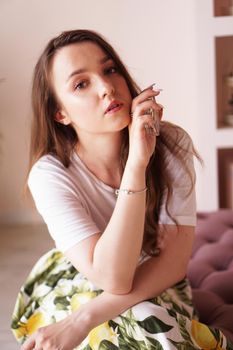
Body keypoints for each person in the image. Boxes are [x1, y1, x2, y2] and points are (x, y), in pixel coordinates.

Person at [11, 29, 232, 350]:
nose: (106, 87)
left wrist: (83, 319)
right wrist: (135, 168)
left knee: (145, 319)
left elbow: (173, 263)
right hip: (81, 271)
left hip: (157, 276)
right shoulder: (49, 174)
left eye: (109, 69)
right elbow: (111, 277)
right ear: (60, 113)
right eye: (81, 84)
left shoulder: (171, 144)